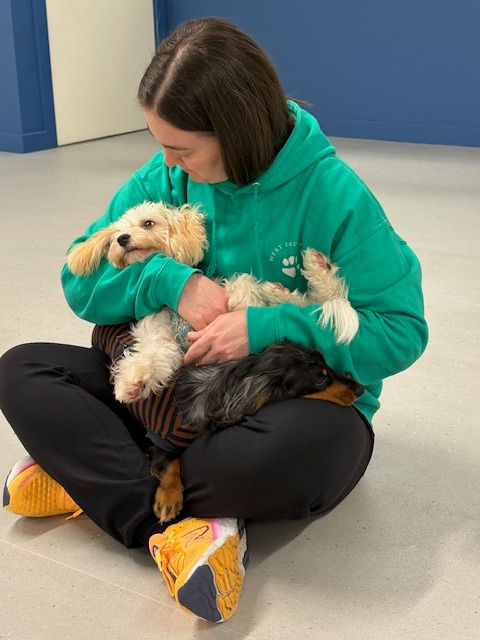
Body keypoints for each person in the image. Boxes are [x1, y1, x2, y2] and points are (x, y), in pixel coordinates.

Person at [0, 17, 428, 624]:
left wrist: (268, 328)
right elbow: (81, 279)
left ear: (236, 129)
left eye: (182, 148)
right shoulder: (167, 176)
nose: (168, 162)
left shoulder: (333, 194)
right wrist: (173, 281)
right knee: (22, 371)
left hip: (279, 405)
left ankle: (91, 476)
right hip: (174, 384)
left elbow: (401, 332)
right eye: (162, 145)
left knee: (299, 453)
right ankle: (184, 528)